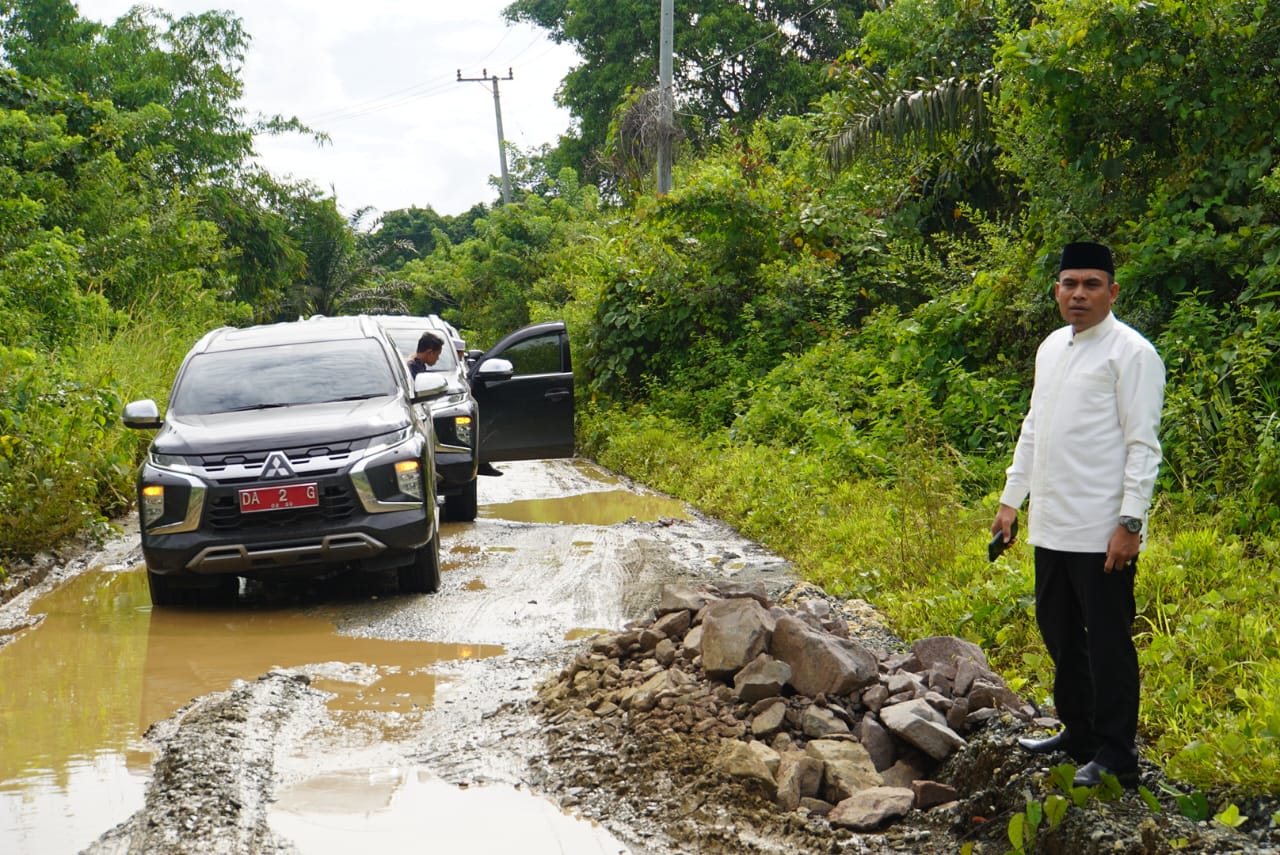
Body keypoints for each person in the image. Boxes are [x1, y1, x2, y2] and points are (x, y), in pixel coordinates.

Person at [991, 241, 1165, 789]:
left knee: (1108, 641)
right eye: (1070, 283)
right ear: (1056, 291)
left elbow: (1143, 447)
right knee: (1061, 632)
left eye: (1092, 284)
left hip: (1102, 530)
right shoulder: (1051, 348)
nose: (1079, 294)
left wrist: (1130, 523)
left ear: (1113, 292)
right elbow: (1034, 427)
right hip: (1052, 525)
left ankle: (1117, 752)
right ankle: (1079, 731)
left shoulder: (1131, 354)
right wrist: (1011, 500)